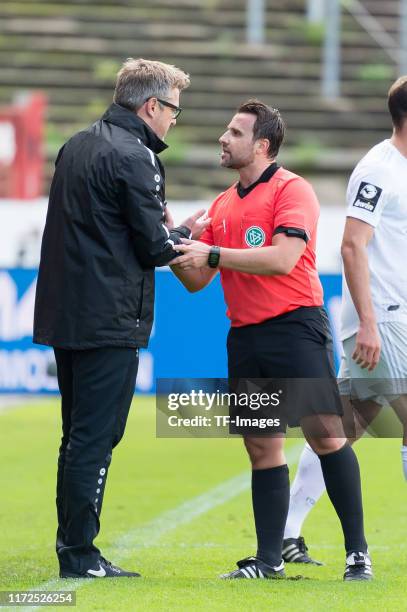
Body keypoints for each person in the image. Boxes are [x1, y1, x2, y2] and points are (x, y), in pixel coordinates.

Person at [171, 99, 372, 581]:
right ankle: (267, 560)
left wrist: (211, 251)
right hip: (245, 336)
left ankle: (357, 554)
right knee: (263, 449)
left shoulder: (293, 190)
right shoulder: (221, 204)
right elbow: (197, 281)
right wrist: (175, 245)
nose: (224, 138)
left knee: (326, 437)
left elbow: (282, 258)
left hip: (295, 329)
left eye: (234, 133)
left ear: (262, 145)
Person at [33, 58, 209, 579]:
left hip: (68, 312)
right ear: (151, 105)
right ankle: (81, 556)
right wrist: (185, 236)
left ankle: (73, 547)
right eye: (173, 109)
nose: (174, 120)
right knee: (96, 437)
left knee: (76, 436)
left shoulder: (77, 144)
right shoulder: (137, 157)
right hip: (109, 317)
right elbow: (153, 247)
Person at [280, 75, 407, 566]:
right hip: (383, 316)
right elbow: (352, 245)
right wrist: (370, 324)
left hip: (390, 316)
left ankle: (288, 533)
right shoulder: (377, 169)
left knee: (339, 430)